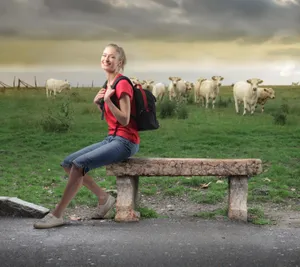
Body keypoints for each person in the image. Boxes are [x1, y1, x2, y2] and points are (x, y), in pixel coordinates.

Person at [34, 43, 140, 229]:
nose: (106, 59)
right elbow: (113, 120)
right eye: (104, 55)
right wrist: (100, 103)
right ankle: (104, 198)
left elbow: (124, 119)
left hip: (126, 141)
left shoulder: (122, 83)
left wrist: (108, 99)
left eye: (112, 56)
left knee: (79, 165)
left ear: (120, 62)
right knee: (68, 163)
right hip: (113, 138)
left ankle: (57, 214)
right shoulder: (109, 84)